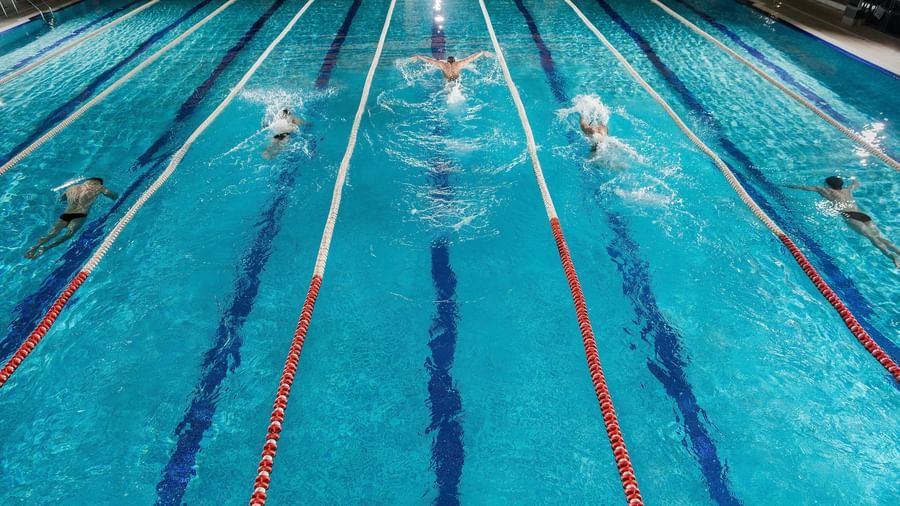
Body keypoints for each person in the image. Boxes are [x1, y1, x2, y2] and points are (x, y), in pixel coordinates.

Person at [788, 176, 900, 268]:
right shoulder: (848, 190)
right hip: (863, 215)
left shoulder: (826, 190)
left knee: (872, 238)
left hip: (850, 216)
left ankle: (892, 256)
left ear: (828, 185)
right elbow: (856, 183)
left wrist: (786, 185)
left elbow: (803, 187)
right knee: (878, 236)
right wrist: (853, 178)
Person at [25, 177, 118, 259]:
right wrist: (116, 196)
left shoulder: (71, 188)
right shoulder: (98, 187)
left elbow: (61, 200)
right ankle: (46, 248)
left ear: (86, 181)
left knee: (52, 233)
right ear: (97, 182)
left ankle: (35, 247)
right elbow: (112, 195)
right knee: (69, 233)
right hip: (80, 215)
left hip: (66, 214)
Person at [411, 51, 488, 81]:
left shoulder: (442, 64)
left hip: (447, 80)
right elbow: (472, 57)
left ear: (447, 61)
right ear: (455, 61)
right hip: (457, 80)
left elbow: (429, 60)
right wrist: (482, 53)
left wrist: (418, 56)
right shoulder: (459, 63)